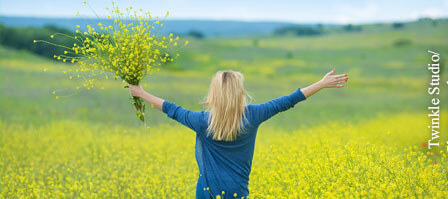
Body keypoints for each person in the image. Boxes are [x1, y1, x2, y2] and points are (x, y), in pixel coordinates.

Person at [126, 69, 348, 198]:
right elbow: (288, 101)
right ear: (239, 92)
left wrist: (141, 93)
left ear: (214, 93)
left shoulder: (202, 121)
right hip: (237, 191)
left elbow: (170, 108)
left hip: (206, 191)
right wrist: (321, 83)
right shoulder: (253, 115)